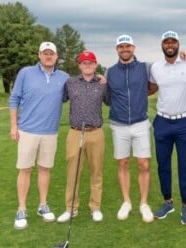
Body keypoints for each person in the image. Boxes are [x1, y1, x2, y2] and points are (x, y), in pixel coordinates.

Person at [9, 42, 69, 230]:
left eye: (52, 53)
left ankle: (43, 205)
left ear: (57, 56)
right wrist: (14, 126)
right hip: (27, 130)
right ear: (39, 55)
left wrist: (100, 78)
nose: (48, 56)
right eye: (45, 53)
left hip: (50, 132)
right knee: (25, 170)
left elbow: (80, 86)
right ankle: (21, 209)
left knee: (45, 169)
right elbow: (14, 99)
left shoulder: (64, 77)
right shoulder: (26, 73)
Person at [150, 30, 186, 225]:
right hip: (162, 121)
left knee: (185, 166)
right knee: (163, 165)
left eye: (173, 41)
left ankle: (185, 207)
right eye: (166, 42)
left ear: (179, 44)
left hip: (184, 122)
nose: (170, 45)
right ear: (162, 45)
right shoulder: (156, 67)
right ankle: (168, 202)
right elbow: (149, 87)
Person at [106, 34, 154, 223]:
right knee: (123, 163)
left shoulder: (145, 68)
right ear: (117, 49)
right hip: (118, 124)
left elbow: (153, 86)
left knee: (143, 164)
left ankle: (143, 203)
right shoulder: (110, 71)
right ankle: (126, 201)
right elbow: (108, 96)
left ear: (133, 48)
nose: (124, 49)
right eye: (121, 47)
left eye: (128, 46)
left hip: (140, 122)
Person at [56, 51, 109, 223]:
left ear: (95, 65)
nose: (87, 65)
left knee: (96, 171)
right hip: (75, 132)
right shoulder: (70, 83)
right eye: (84, 62)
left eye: (90, 63)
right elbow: (61, 99)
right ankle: (71, 208)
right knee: (73, 172)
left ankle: (95, 206)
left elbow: (110, 101)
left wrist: (106, 82)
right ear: (79, 65)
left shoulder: (102, 83)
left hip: (96, 133)